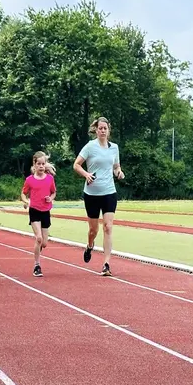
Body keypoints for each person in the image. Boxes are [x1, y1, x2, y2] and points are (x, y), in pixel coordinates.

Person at [72, 117, 124, 276]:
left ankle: (106, 264)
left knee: (108, 227)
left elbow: (116, 166)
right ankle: (89, 245)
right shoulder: (90, 146)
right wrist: (86, 174)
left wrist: (119, 172)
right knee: (93, 230)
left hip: (109, 192)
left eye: (105, 128)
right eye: (100, 128)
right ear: (96, 130)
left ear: (109, 131)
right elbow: (76, 165)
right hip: (92, 194)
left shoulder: (114, 148)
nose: (102, 130)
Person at [21, 151, 57, 277]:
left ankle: (39, 248)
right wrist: (26, 201)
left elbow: (53, 192)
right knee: (39, 238)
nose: (41, 166)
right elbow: (23, 193)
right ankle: (37, 265)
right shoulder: (30, 180)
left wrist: (50, 199)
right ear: (34, 165)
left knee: (45, 243)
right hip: (34, 210)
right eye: (39, 164)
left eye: (43, 164)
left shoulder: (50, 179)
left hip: (45, 211)